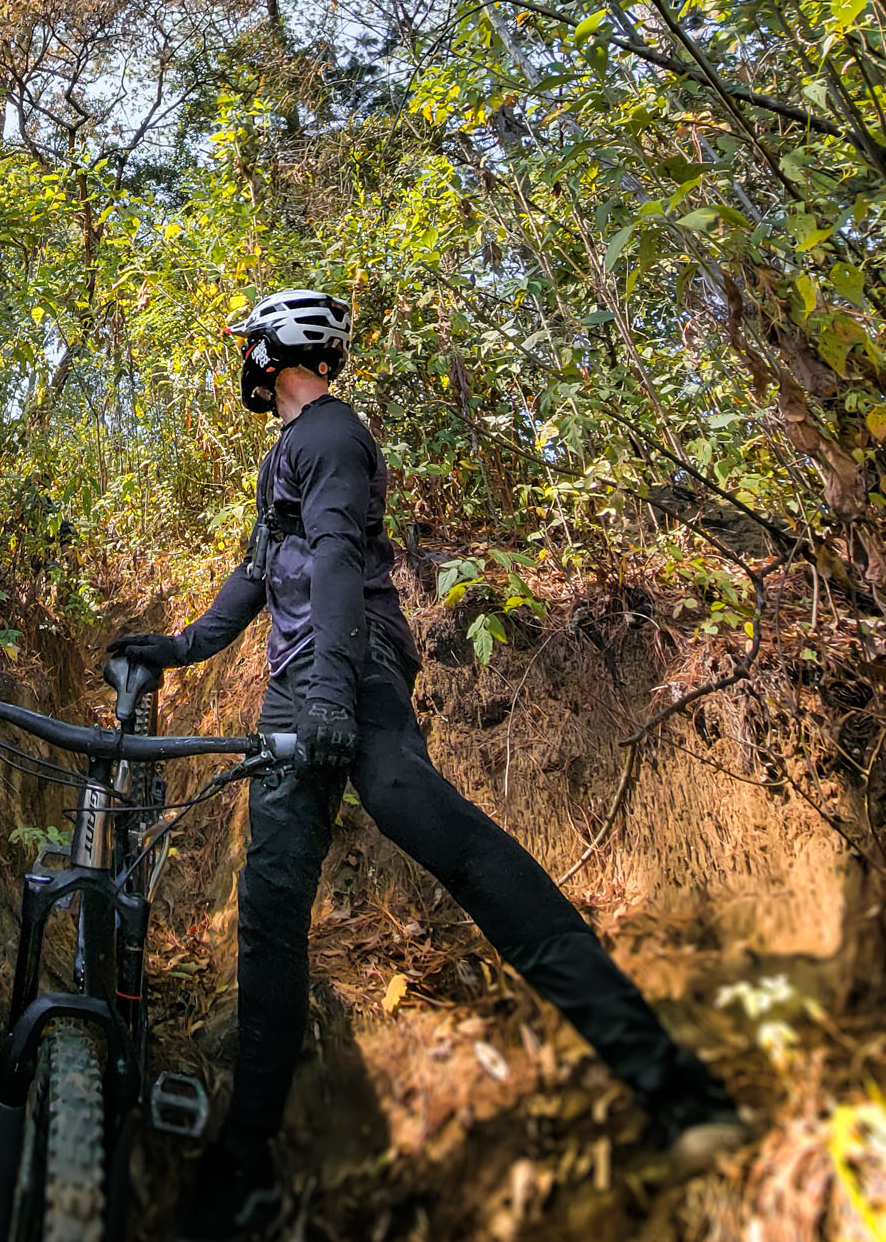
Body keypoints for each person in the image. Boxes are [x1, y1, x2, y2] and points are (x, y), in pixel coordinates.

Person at [108, 289, 743, 1242]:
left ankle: (676, 1089)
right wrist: (178, 647)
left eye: (249, 343)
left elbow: (332, 561)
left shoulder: (330, 432)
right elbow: (260, 572)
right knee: (270, 910)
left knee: (456, 847)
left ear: (279, 348)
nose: (239, 358)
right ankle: (245, 1166)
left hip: (352, 672)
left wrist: (331, 694)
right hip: (302, 686)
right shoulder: (285, 453)